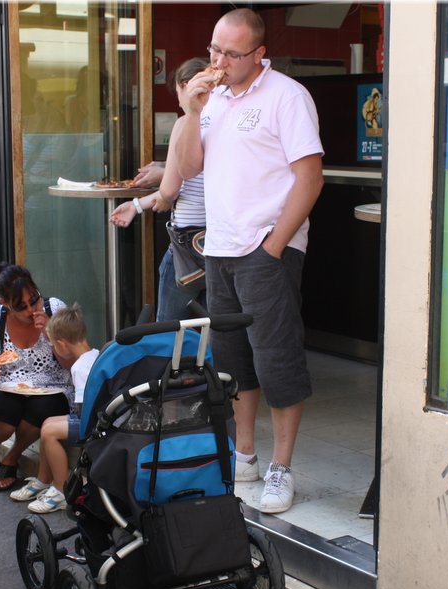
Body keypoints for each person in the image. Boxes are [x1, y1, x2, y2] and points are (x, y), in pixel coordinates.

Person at [171, 8, 324, 514]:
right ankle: (245, 455)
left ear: (259, 53)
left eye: (232, 54)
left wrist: (274, 246)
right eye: (214, 50)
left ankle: (281, 466)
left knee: (276, 359)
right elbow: (189, 167)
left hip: (264, 248)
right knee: (233, 361)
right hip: (219, 247)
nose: (219, 62)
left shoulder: (286, 96)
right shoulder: (211, 98)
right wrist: (190, 111)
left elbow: (310, 179)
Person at [110, 57, 210, 321]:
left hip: (187, 244)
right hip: (218, 242)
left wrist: (163, 187)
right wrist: (137, 204)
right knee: (213, 328)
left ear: (187, 86)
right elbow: (195, 182)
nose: (178, 101)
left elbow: (170, 190)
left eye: (177, 92)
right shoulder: (226, 123)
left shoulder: (185, 123)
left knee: (168, 327)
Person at [0, 263, 73, 493]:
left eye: (34, 300)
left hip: (54, 385)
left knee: (45, 407)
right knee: (2, 408)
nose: (30, 310)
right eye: (21, 306)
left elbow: (71, 363)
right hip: (11, 385)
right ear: (5, 304)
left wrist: (50, 333)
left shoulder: (55, 309)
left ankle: (12, 457)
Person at [22, 303, 99, 514]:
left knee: (50, 431)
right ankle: (44, 480)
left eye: (54, 346)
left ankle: (61, 490)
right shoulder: (95, 354)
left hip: (94, 426)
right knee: (48, 423)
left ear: (62, 345)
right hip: (100, 419)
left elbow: (85, 410)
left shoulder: (79, 367)